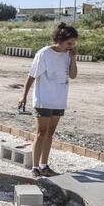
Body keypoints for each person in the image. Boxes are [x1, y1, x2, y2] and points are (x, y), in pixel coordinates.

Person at [18, 22, 79, 178]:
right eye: (69, 43)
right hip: (43, 99)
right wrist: (24, 95)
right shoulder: (44, 53)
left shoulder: (68, 55)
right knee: (41, 133)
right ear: (59, 40)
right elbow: (32, 75)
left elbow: (72, 75)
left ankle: (45, 165)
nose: (71, 46)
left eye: (73, 43)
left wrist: (73, 58)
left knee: (50, 133)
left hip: (59, 99)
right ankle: (35, 167)